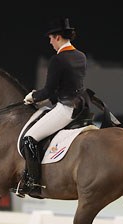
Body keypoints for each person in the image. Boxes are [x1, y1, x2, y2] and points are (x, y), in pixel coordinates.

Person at [16, 17, 89, 198]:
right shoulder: (81, 56)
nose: (50, 42)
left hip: (66, 109)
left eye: (50, 38)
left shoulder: (58, 59)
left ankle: (33, 182)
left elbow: (48, 90)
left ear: (57, 37)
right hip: (82, 108)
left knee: (29, 139)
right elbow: (67, 85)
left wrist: (33, 97)